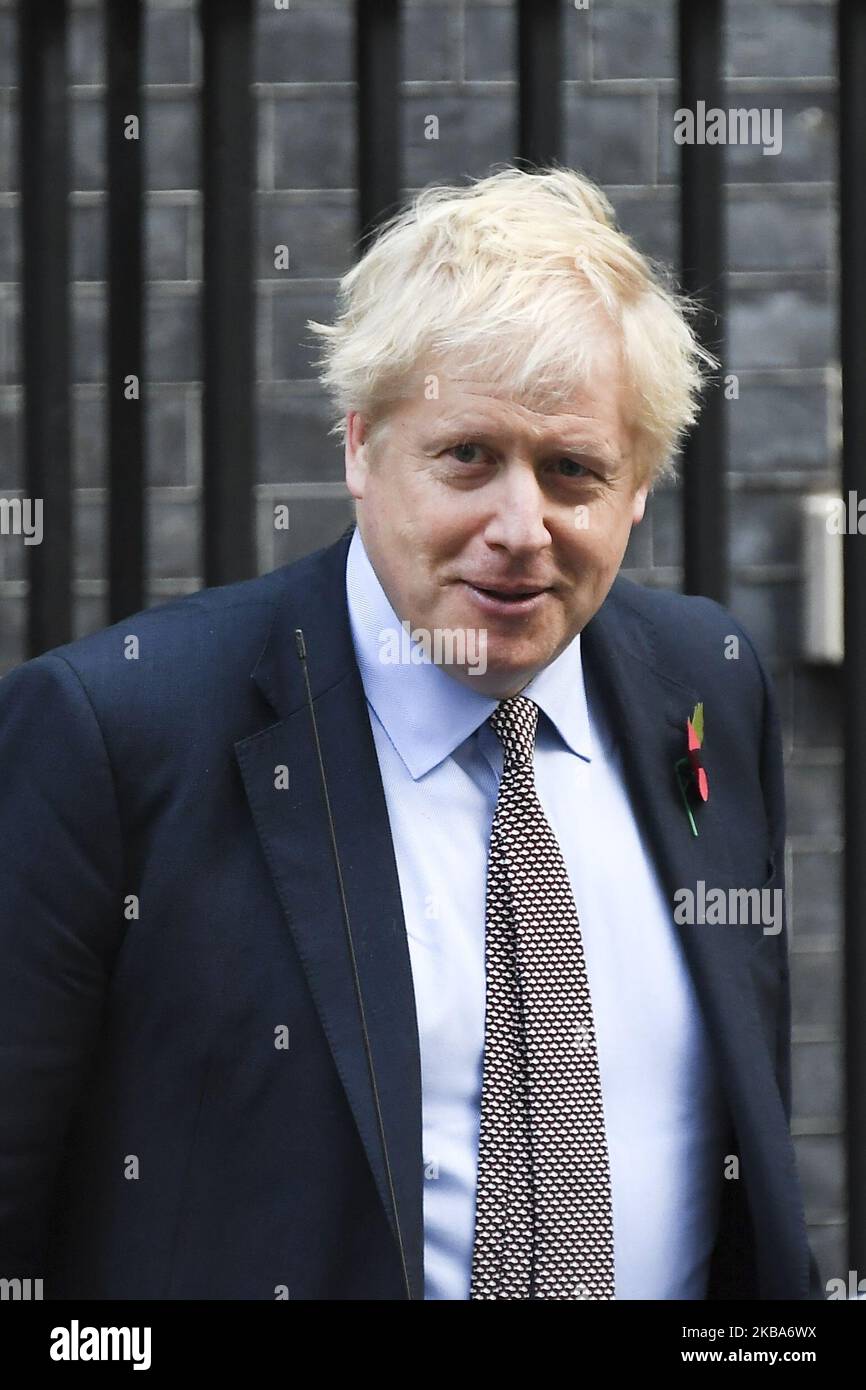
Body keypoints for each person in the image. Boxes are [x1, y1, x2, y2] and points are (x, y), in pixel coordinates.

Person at [0, 165, 824, 1300]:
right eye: (467, 458)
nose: (519, 529)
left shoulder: (706, 686)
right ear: (358, 447)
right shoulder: (116, 730)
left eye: (573, 470)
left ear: (638, 492)